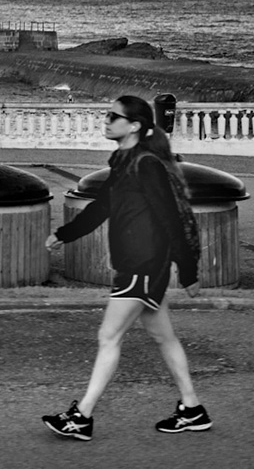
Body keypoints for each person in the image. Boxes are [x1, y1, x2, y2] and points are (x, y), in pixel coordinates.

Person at [41, 94, 210, 441]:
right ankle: (192, 409)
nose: (105, 121)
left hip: (143, 264)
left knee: (109, 336)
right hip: (140, 263)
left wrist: (189, 270)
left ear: (133, 126)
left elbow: (172, 217)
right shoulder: (125, 161)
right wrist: (65, 234)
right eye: (106, 115)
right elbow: (102, 206)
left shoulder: (146, 165)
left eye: (112, 116)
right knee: (163, 336)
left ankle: (82, 417)